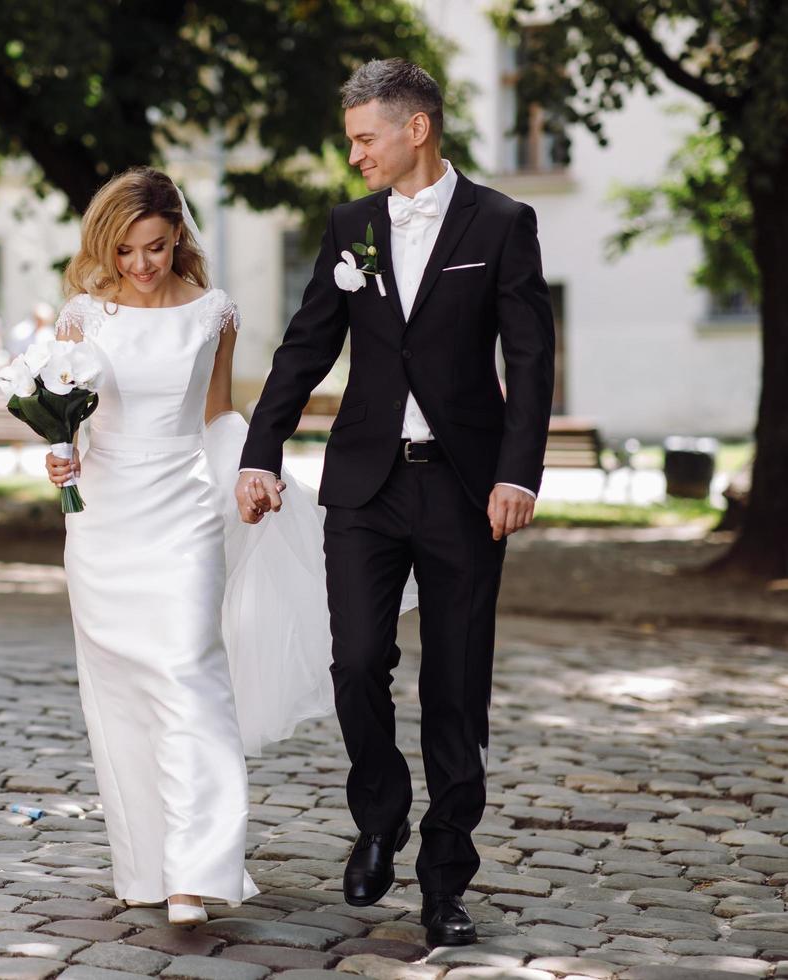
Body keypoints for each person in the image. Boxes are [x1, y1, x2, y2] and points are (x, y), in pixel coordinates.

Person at [236, 60, 554, 947]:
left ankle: (446, 876)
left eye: (364, 138)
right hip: (365, 487)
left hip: (463, 489)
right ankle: (381, 813)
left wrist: (518, 473)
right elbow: (306, 346)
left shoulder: (502, 223)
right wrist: (261, 452)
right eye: (350, 141)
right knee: (355, 662)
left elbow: (529, 361)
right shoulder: (350, 228)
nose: (355, 156)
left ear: (416, 129)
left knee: (456, 687)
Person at [44, 167, 340, 924]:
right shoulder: (82, 317)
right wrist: (59, 456)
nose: (141, 267)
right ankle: (148, 865)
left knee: (189, 676)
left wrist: (253, 476)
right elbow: (69, 417)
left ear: (178, 235)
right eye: (126, 252)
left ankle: (197, 872)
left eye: (156, 247)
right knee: (120, 696)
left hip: (182, 515)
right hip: (103, 521)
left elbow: (216, 417)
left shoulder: (215, 314)